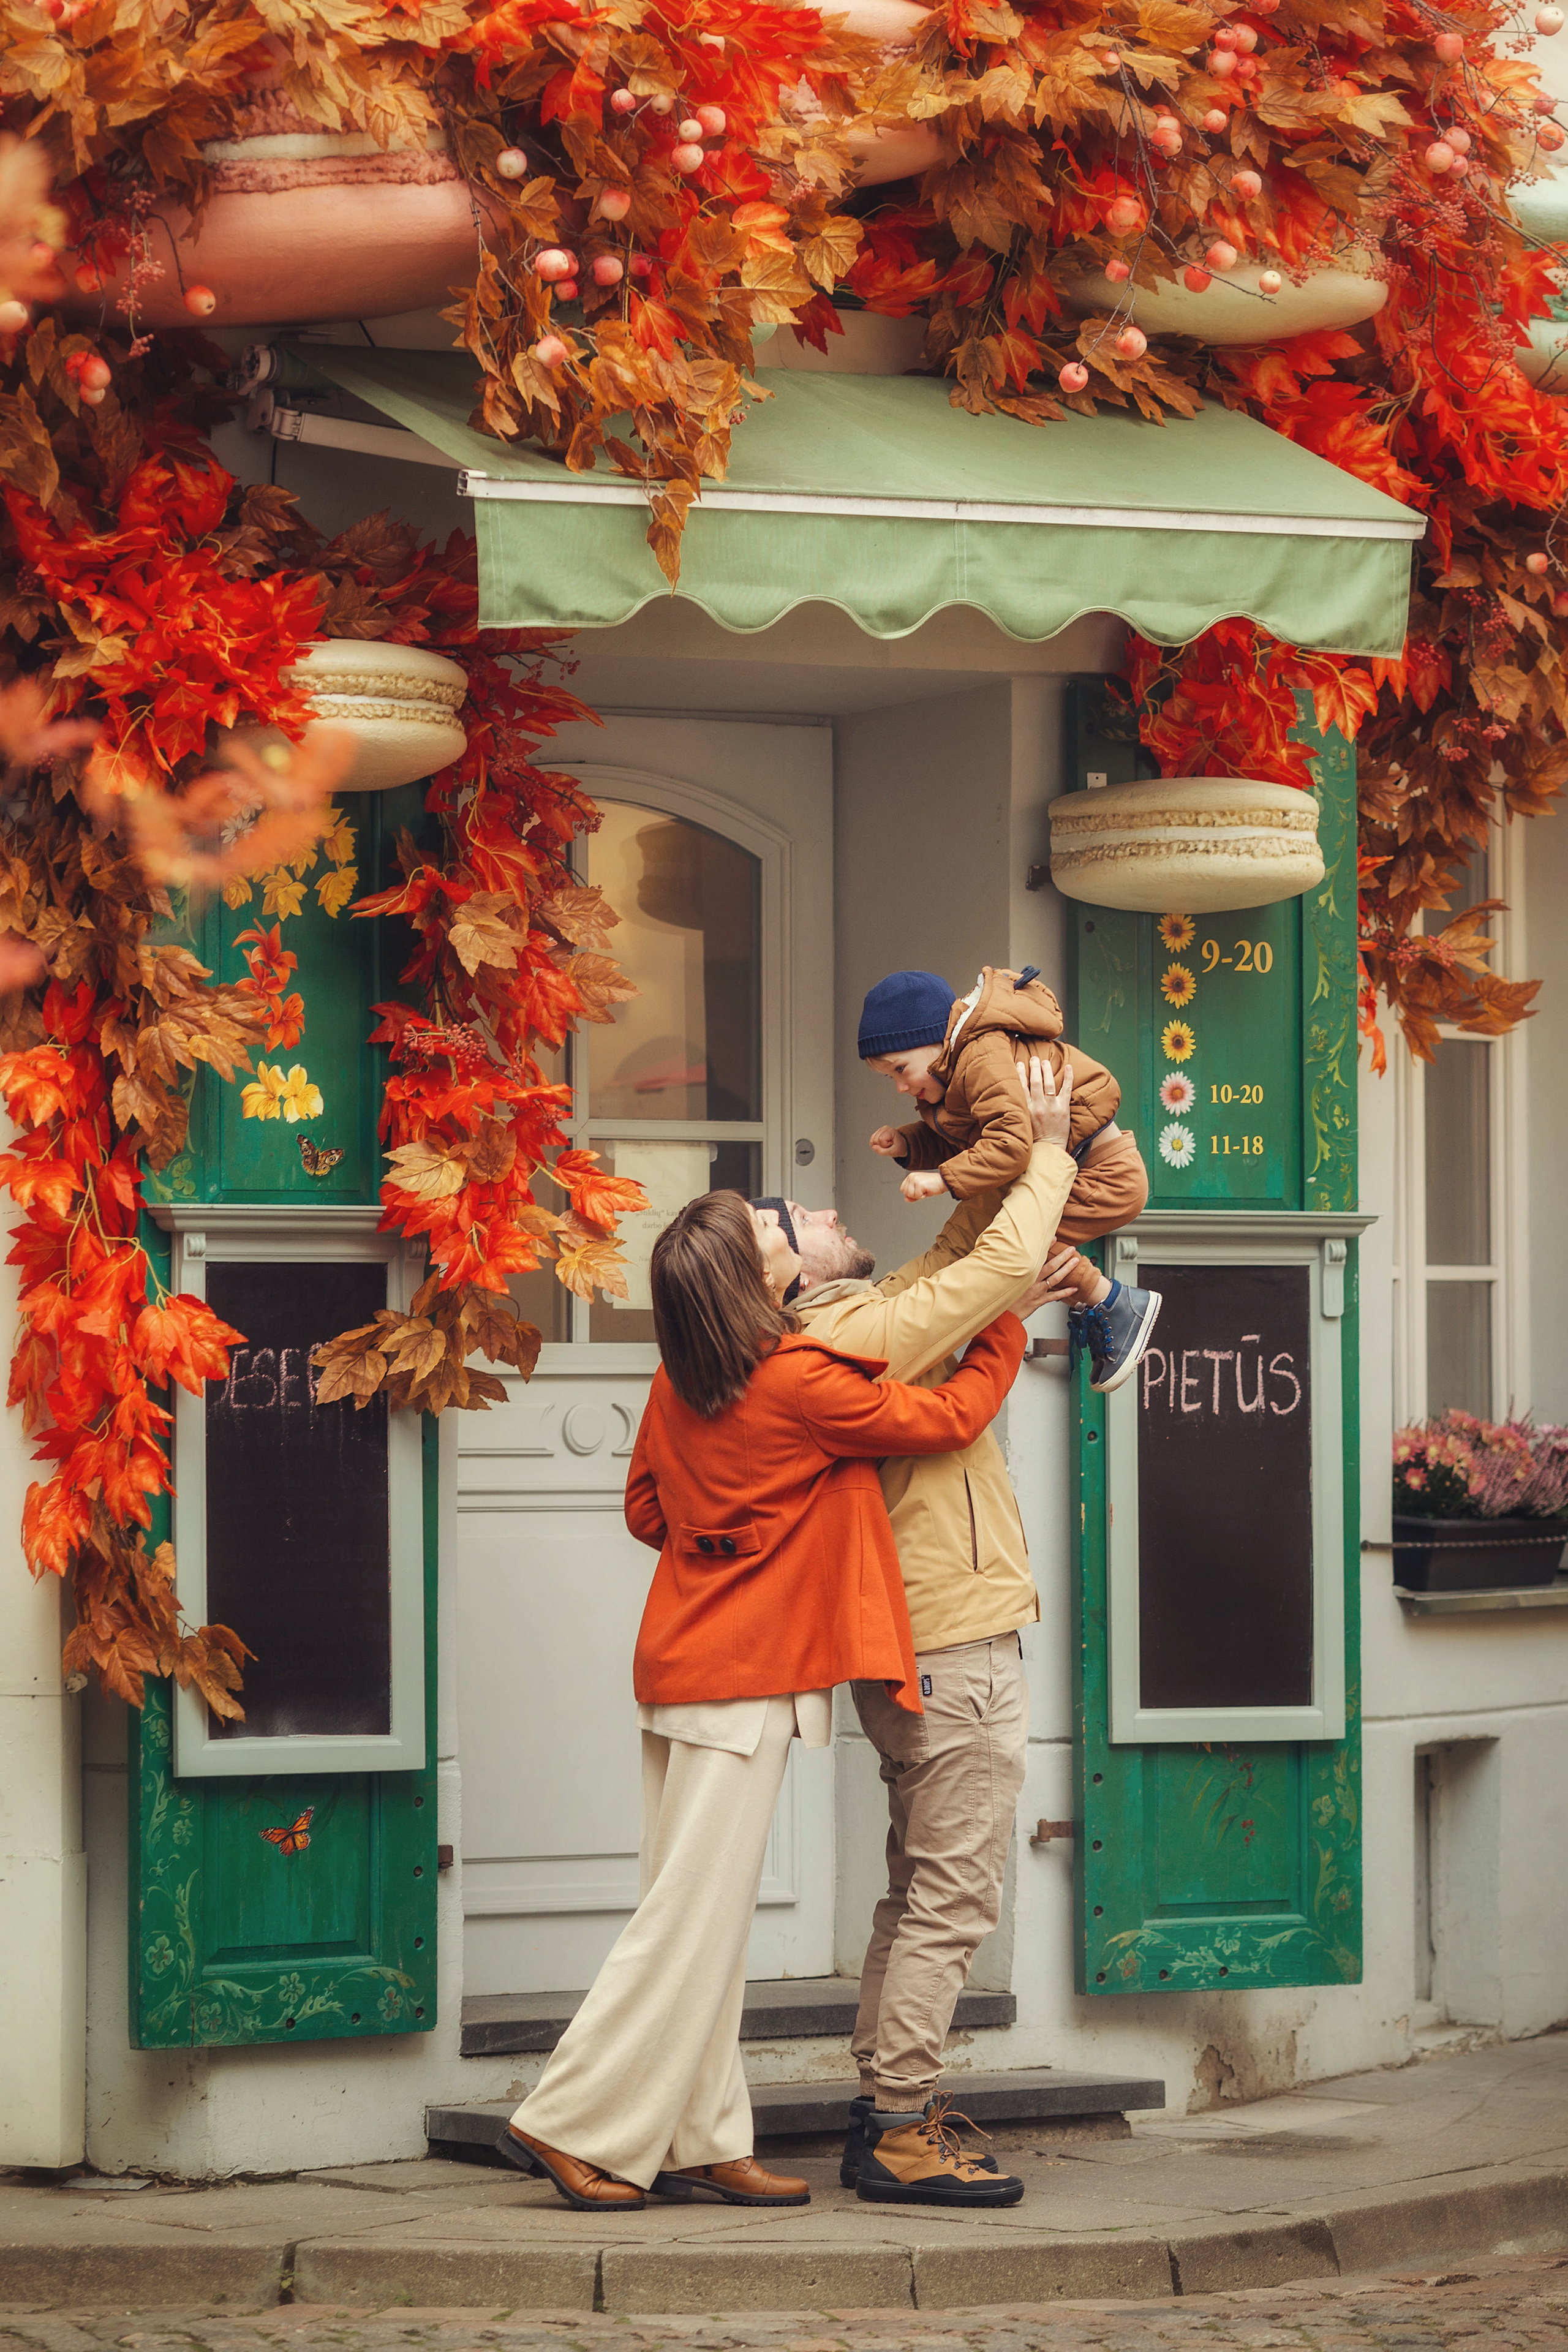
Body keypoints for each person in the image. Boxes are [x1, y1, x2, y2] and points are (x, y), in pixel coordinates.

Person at [500, 1189, 1029, 2215]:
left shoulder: (681, 1377)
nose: (790, 1225)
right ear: (762, 1279)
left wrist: (732, 1538)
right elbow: (953, 1417)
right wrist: (1001, 1323)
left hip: (681, 1667)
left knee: (703, 1922)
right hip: (742, 1682)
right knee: (686, 1924)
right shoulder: (798, 1380)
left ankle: (700, 2137)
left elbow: (647, 1510)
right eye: (770, 1229)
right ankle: (566, 2120)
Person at [749, 1053, 1084, 2207]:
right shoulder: (850, 1337)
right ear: (783, 1278)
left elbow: (962, 1258)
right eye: (794, 1219)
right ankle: (898, 2128)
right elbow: (994, 1268)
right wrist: (1049, 1153)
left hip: (930, 1646)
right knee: (954, 1898)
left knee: (917, 1892)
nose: (821, 1209)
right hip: (951, 1650)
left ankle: (885, 2111)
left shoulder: (857, 1317)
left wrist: (986, 1160)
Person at [859, 963, 1160, 1394]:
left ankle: (1111, 1301)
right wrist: (909, 1144)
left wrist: (942, 1179)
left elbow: (1009, 1146)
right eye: (889, 1078)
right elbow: (972, 1136)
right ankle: (1112, 1302)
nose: (900, 1087)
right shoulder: (959, 1069)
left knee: (1014, 1244)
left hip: (1104, 1176)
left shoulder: (981, 1058)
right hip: (1077, 1166)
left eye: (900, 1070)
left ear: (935, 1040)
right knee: (1004, 1242)